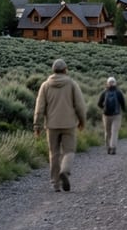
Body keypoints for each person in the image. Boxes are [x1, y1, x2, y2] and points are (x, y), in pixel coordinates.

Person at [33, 59, 87, 192]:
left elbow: (39, 108)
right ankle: (65, 170)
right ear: (65, 69)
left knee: (54, 154)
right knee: (69, 151)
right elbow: (80, 105)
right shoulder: (72, 84)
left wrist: (37, 126)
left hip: (51, 125)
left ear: (53, 70)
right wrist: (82, 121)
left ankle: (55, 184)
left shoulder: (45, 86)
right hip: (69, 124)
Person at [97, 77, 126, 155]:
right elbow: (123, 103)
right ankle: (113, 147)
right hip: (116, 115)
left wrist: (103, 108)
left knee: (107, 132)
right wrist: (123, 110)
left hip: (106, 115)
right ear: (115, 83)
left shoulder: (104, 92)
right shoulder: (119, 92)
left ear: (107, 83)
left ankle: (108, 147)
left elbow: (99, 103)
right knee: (114, 132)